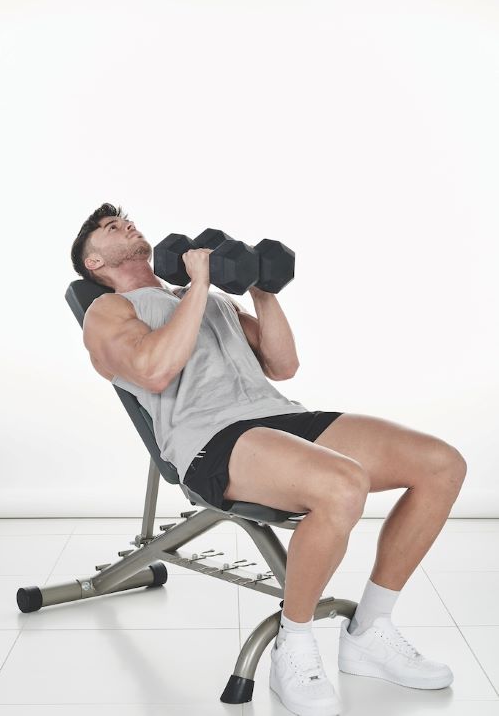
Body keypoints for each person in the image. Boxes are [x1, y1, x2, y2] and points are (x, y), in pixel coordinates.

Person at [71, 203, 467, 716]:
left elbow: (283, 365)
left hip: (278, 415)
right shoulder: (109, 311)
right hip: (211, 439)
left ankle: (370, 631)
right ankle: (293, 645)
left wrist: (261, 289)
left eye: (126, 220)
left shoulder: (211, 301)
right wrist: (198, 287)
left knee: (441, 463)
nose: (126, 225)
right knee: (341, 484)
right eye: (108, 228)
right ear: (94, 264)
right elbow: (154, 371)